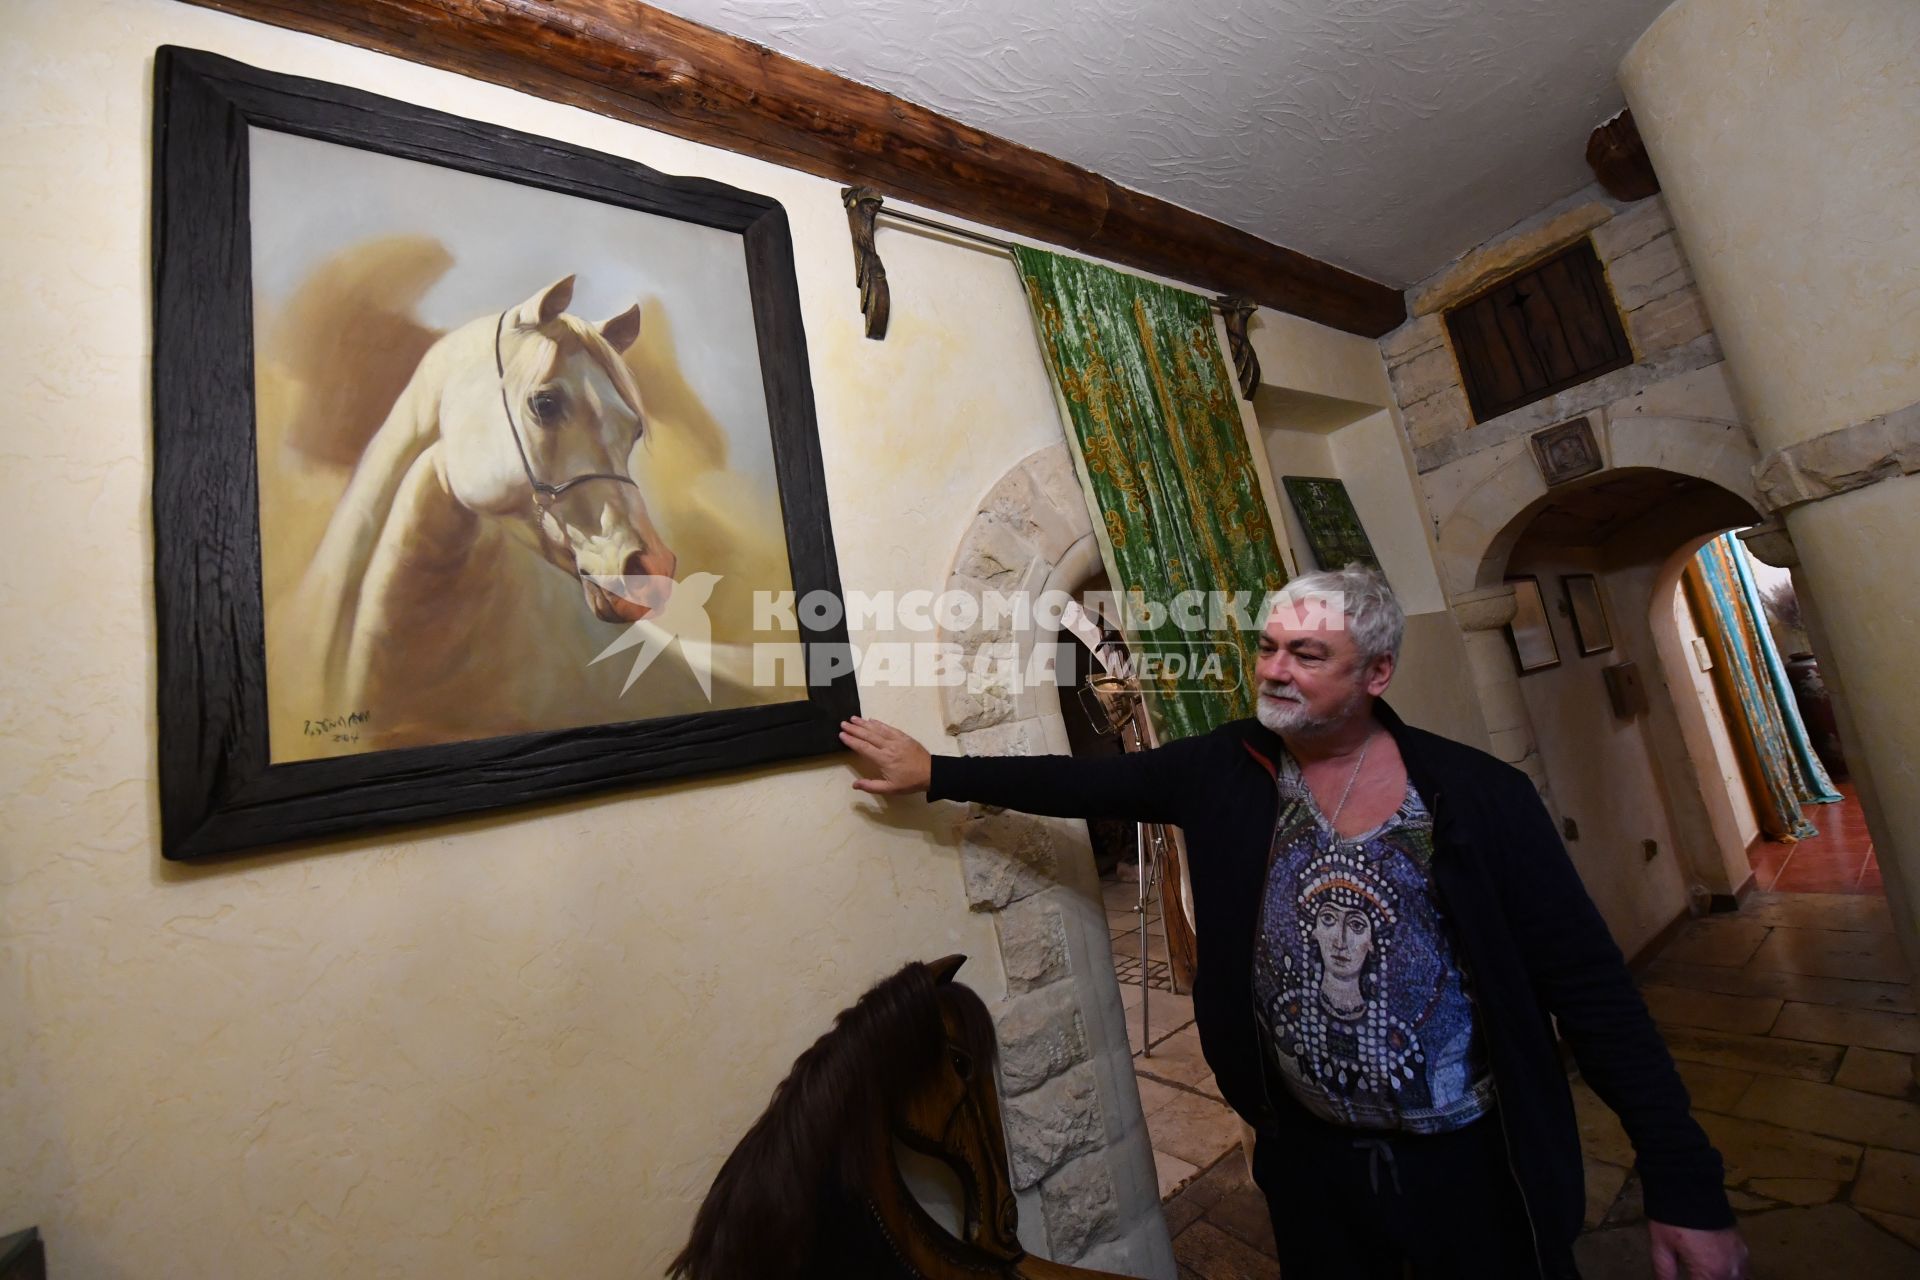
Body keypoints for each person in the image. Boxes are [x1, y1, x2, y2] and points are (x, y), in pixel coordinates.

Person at [840, 566, 1747, 1280]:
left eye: (1308, 655)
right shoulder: (1226, 769)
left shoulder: (1476, 797)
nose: (1275, 669)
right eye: (1270, 646)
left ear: (1377, 672)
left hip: (1473, 1169)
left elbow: (1594, 995)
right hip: (1312, 1165)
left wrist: (1685, 1183)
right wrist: (939, 772)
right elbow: (1084, 782)